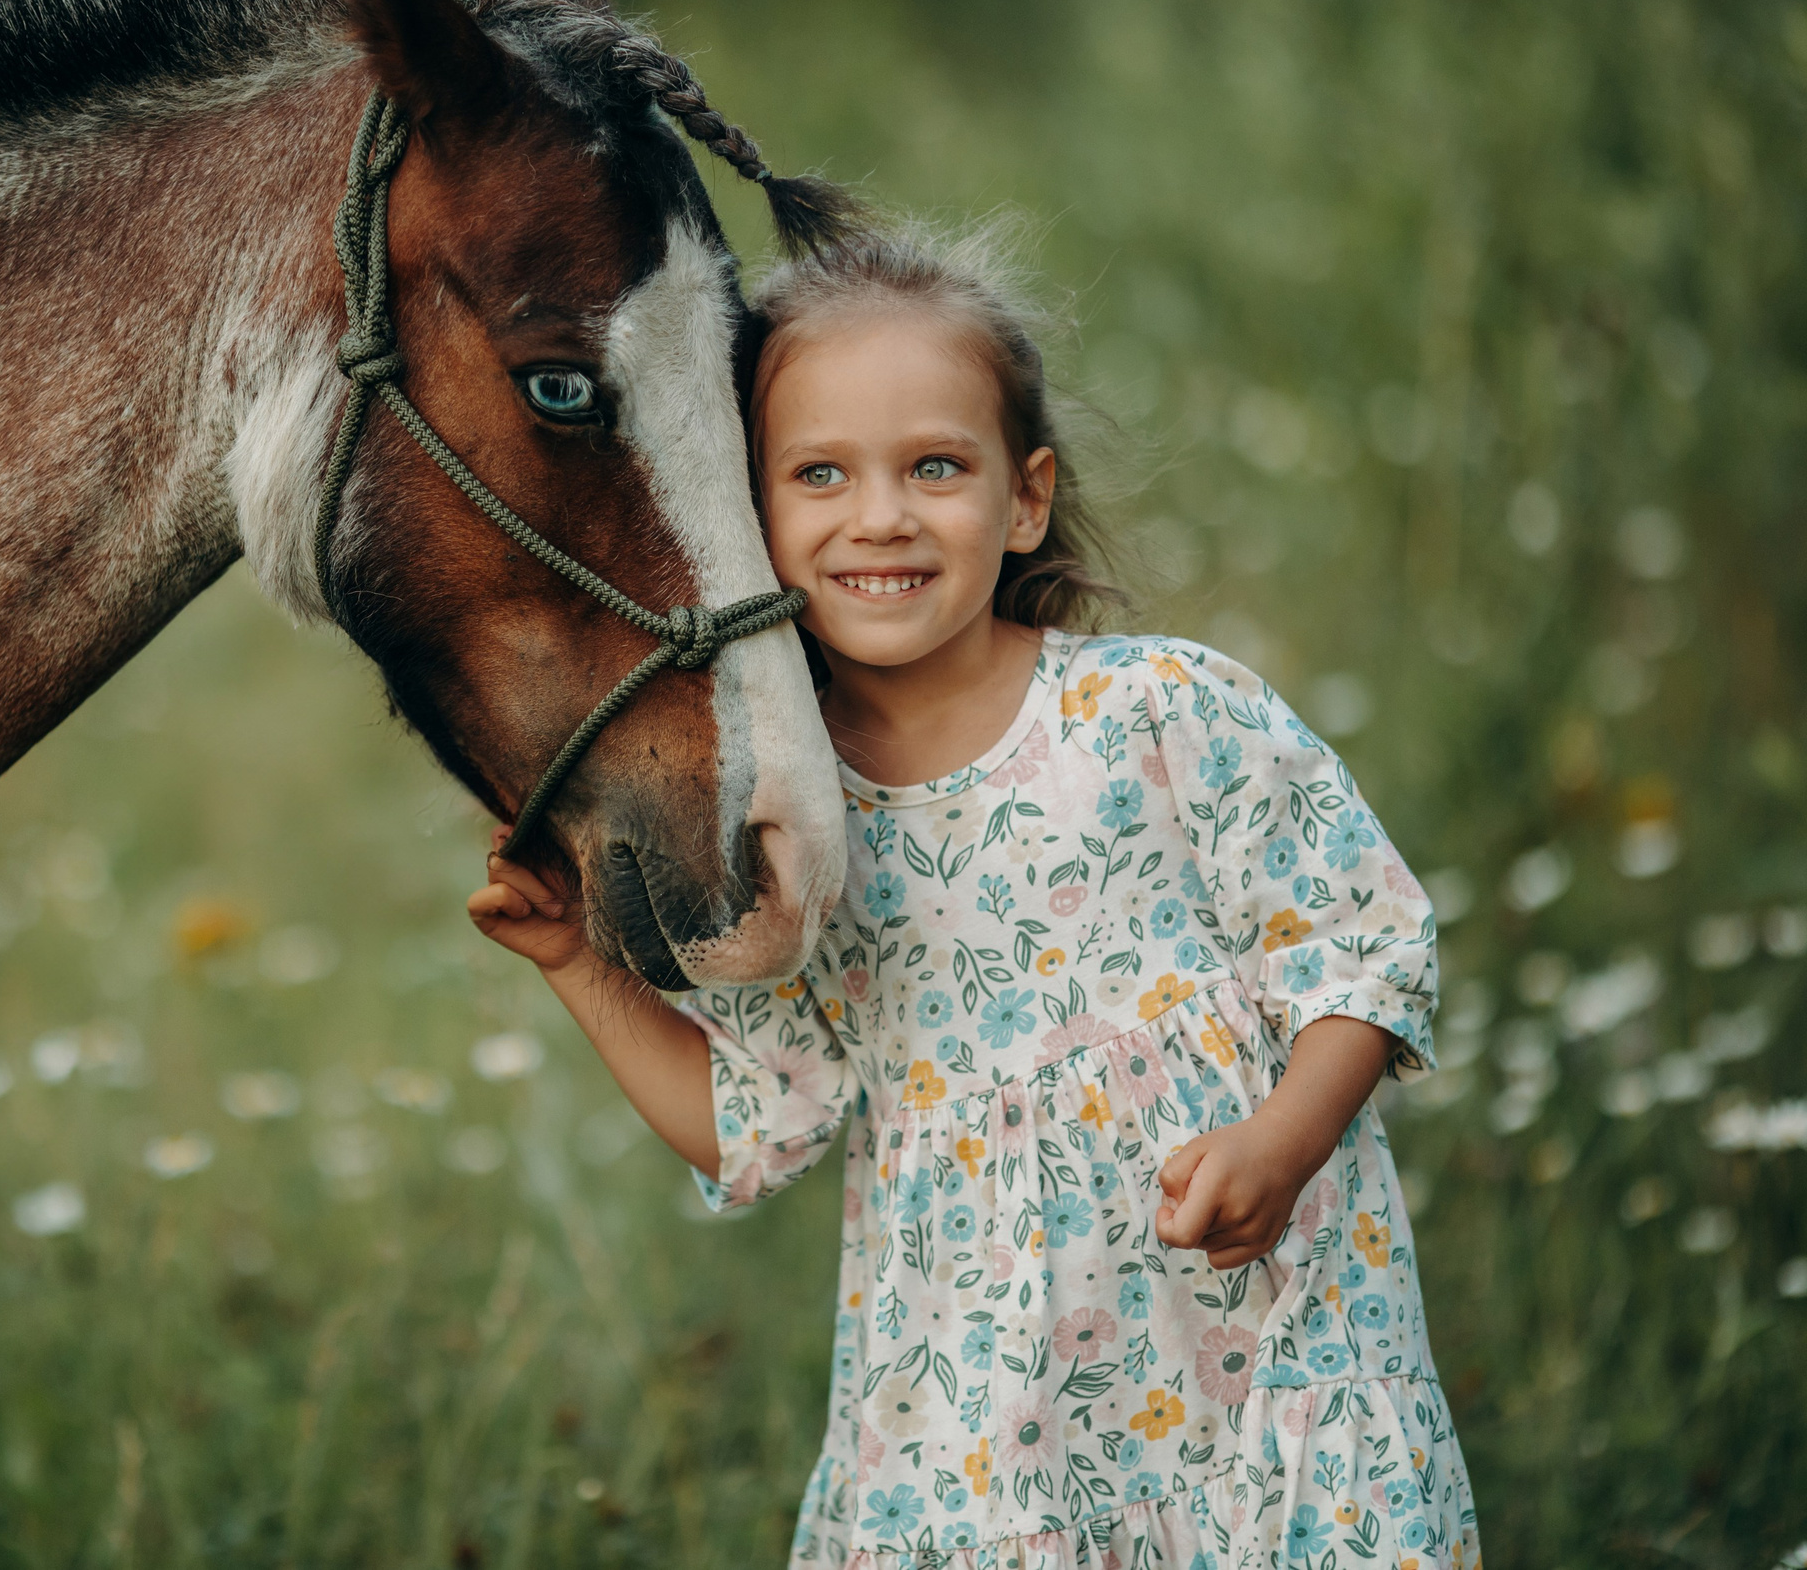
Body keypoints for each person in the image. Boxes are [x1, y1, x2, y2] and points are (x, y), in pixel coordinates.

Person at [469, 229, 1480, 1568]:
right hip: (986, 1438)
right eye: (818, 474)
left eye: (934, 467)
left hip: (1269, 1380)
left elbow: (1361, 950)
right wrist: (577, 965)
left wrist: (1286, 1139)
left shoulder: (1165, 715)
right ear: (739, 515)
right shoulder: (788, 821)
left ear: (1024, 498)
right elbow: (755, 1123)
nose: (879, 517)